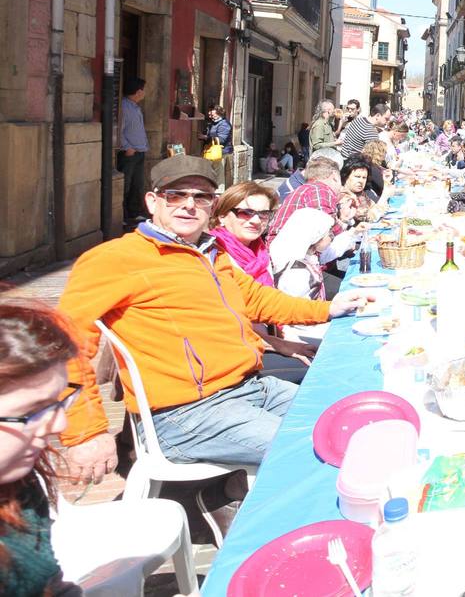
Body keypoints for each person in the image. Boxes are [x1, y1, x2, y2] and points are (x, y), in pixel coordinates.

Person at [57, 155, 368, 494]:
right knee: (318, 450)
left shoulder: (212, 252)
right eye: (175, 195)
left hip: (247, 387)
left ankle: (233, 494)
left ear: (212, 205)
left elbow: (258, 299)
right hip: (185, 413)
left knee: (348, 418)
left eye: (200, 196)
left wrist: (328, 309)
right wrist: (85, 432)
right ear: (152, 201)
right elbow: (63, 344)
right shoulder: (116, 259)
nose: (189, 205)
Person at [0, 302, 83, 597]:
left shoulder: (18, 483)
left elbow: (50, 584)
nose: (60, 424)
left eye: (58, 401)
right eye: (32, 411)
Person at [209, 183, 317, 377]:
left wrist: (286, 333)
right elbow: (231, 324)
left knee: (326, 352)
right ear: (222, 216)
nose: (256, 220)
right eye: (245, 213)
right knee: (317, 370)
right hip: (237, 351)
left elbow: (271, 301)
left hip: (266, 336)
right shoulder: (215, 255)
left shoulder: (258, 250)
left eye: (263, 214)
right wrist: (279, 344)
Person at [267, 156, 348, 247]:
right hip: (287, 251)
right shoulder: (320, 190)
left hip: (283, 247)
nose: (341, 187)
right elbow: (328, 224)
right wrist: (346, 230)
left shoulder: (307, 189)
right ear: (334, 176)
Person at [268, 208, 334, 301]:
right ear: (315, 237)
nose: (331, 236)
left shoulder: (307, 256)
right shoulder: (297, 274)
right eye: (328, 233)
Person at [118, 76, 149, 225]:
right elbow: (119, 130)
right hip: (130, 153)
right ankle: (122, 216)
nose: (144, 93)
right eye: (143, 90)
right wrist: (126, 147)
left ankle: (135, 213)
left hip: (139, 151)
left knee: (137, 184)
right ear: (138, 91)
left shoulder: (135, 107)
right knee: (125, 185)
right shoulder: (124, 107)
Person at [203, 105, 233, 182]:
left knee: (218, 175)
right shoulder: (214, 123)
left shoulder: (224, 124)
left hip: (220, 152)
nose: (209, 113)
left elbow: (222, 139)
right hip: (212, 151)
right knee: (214, 173)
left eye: (212, 112)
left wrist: (206, 138)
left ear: (218, 113)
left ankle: (219, 192)